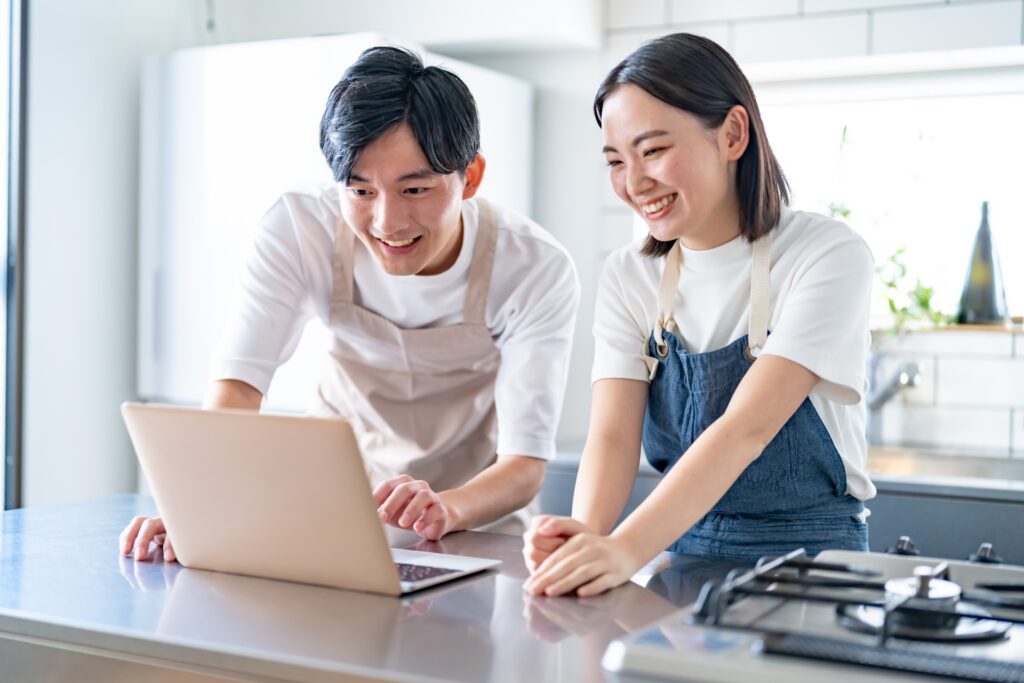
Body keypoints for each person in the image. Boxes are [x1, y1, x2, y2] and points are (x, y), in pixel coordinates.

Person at [121, 46, 580, 562]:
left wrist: (446, 510)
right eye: (360, 191)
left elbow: (525, 464)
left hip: (472, 529)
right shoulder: (301, 227)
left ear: (470, 177)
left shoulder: (533, 266)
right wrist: (196, 511)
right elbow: (237, 389)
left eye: (415, 189)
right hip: (329, 515)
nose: (387, 223)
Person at [522, 33, 876, 597]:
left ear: (733, 133)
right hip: (686, 552)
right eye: (617, 160)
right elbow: (613, 437)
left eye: (653, 150)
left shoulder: (826, 253)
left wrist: (624, 548)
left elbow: (745, 429)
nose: (634, 184)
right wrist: (585, 540)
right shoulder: (628, 275)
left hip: (814, 562)